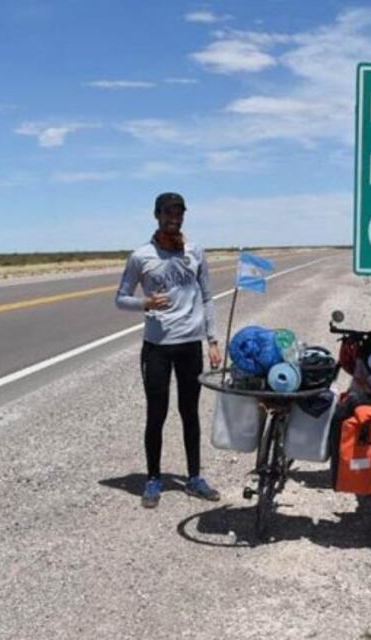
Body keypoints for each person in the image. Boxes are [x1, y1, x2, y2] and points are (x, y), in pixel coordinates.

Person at [116, 192, 222, 508]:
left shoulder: (194, 252)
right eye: (168, 212)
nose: (174, 218)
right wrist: (145, 303)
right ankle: (153, 479)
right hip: (157, 349)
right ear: (157, 215)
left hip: (190, 345)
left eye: (179, 213)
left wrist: (212, 340)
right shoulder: (141, 257)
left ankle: (194, 478)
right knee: (156, 414)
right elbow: (120, 298)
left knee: (190, 413)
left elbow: (207, 298)